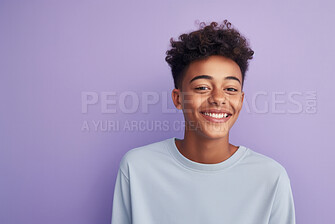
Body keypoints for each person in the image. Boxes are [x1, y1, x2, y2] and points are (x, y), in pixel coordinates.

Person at [111, 19, 295, 224]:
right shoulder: (137, 167)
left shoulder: (271, 177)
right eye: (202, 87)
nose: (218, 98)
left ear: (241, 101)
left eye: (231, 89)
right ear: (178, 98)